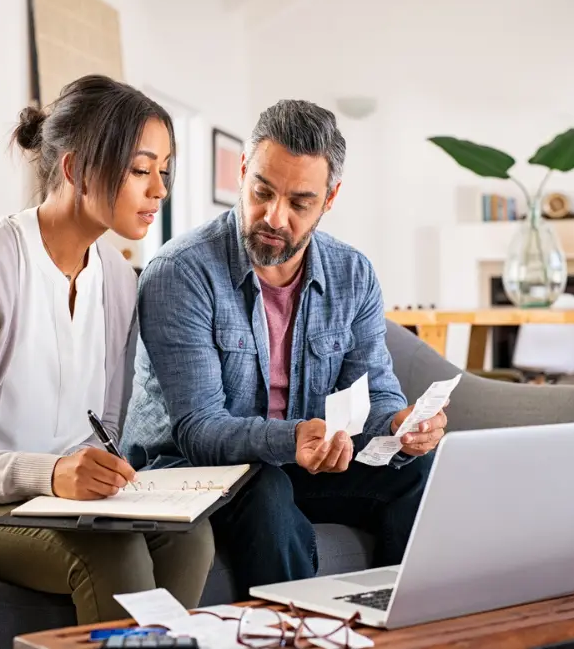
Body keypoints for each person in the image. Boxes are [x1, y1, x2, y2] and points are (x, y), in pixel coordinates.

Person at [0, 75, 215, 624]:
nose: (159, 190)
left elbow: (100, 426)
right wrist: (53, 474)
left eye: (164, 171)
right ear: (76, 169)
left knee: (190, 537)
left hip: (49, 500)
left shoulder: (122, 283)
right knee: (114, 551)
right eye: (140, 169)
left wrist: (109, 478)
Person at [120, 99, 447, 593]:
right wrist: (294, 440)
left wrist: (401, 425)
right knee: (267, 486)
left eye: (299, 203)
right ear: (244, 171)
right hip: (188, 469)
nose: (274, 217)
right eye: (262, 192)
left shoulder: (352, 274)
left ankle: (398, 628)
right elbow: (197, 429)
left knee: (419, 470)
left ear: (329, 199)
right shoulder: (181, 272)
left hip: (298, 460)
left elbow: (376, 392)